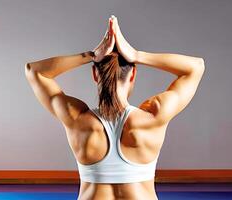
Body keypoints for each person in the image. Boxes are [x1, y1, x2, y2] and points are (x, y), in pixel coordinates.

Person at [25, 15, 205, 200]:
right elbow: (196, 67)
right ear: (133, 74)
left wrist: (91, 56)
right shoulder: (152, 116)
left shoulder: (76, 118)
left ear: (95, 74)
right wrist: (137, 55)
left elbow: (35, 71)